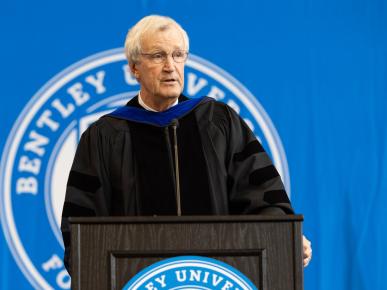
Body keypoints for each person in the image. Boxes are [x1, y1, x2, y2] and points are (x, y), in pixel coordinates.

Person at [61, 15, 312, 274]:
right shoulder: (105, 136)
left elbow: (263, 198)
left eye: (178, 55)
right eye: (158, 56)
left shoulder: (219, 122)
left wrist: (284, 236)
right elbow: (83, 229)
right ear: (134, 68)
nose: (170, 66)